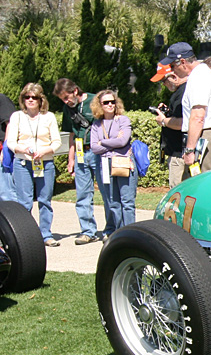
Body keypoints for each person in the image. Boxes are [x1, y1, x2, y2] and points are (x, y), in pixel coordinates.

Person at [4, 83, 62, 245]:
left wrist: (44, 151)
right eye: (27, 97)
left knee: (45, 200)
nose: (30, 100)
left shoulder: (48, 117)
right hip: (23, 163)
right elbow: (11, 141)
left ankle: (46, 234)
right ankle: (25, 236)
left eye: (34, 97)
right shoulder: (17, 116)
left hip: (45, 163)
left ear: (41, 100)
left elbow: (56, 141)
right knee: (25, 202)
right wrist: (22, 149)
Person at [160, 42, 211, 173]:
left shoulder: (199, 77)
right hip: (207, 137)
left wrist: (190, 150)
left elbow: (198, 117)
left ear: (183, 62)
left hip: (205, 138)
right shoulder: (203, 74)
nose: (172, 70)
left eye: (172, 65)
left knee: (199, 189)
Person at [53, 78, 103, 245]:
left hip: (98, 152)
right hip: (81, 152)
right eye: (62, 99)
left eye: (67, 97)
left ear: (75, 91)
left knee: (107, 191)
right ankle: (88, 231)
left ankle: (112, 229)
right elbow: (72, 135)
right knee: (82, 194)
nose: (66, 101)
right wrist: (71, 158)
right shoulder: (68, 109)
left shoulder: (95, 100)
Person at [89, 90, 136, 237]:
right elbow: (94, 147)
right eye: (106, 103)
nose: (110, 105)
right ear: (99, 105)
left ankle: (130, 234)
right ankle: (118, 233)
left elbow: (123, 141)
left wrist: (102, 141)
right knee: (112, 201)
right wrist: (114, 142)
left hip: (123, 161)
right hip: (104, 163)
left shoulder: (123, 120)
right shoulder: (97, 124)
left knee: (127, 201)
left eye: (112, 102)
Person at [151, 63, 189, 188]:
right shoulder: (184, 91)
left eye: (164, 81)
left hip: (179, 153)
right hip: (179, 151)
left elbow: (182, 123)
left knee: (177, 191)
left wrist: (163, 120)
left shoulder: (182, 93)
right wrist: (168, 113)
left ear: (174, 76)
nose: (164, 85)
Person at [0, 92, 16, 202]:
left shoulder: (2, 99)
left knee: (6, 194)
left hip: (2, 151)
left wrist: (5, 150)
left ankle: (14, 218)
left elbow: (10, 124)